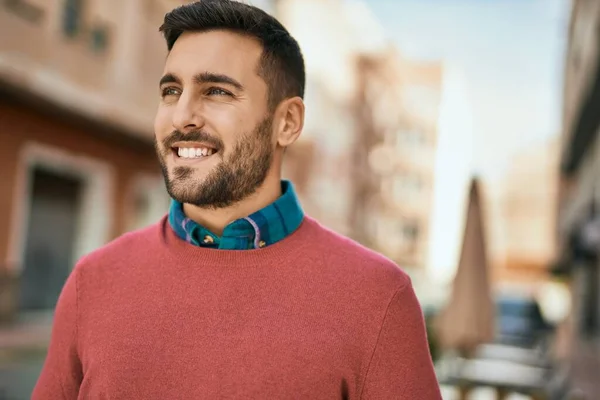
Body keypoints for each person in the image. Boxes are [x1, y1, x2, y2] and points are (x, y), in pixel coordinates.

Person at [32, 0, 442, 398]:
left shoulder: (378, 299)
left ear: (287, 122)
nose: (182, 116)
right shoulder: (93, 282)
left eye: (217, 92)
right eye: (171, 91)